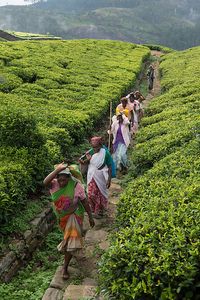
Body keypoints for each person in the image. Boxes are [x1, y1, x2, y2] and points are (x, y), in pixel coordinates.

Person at [43, 163, 95, 280]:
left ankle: (65, 267)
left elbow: (85, 202)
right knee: (68, 239)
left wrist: (90, 217)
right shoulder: (54, 184)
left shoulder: (76, 186)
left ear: (69, 177)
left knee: (71, 239)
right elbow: (45, 182)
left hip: (74, 215)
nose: (62, 181)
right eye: (59, 178)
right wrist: (57, 170)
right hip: (62, 217)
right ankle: (71, 252)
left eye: (64, 179)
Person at [79, 136, 112, 219]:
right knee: (91, 194)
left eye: (97, 147)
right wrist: (84, 160)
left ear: (100, 145)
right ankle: (94, 209)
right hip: (91, 175)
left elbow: (110, 166)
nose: (95, 149)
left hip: (100, 176)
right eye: (94, 147)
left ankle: (99, 211)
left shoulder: (105, 153)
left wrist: (109, 180)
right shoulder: (90, 152)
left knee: (100, 193)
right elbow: (84, 162)